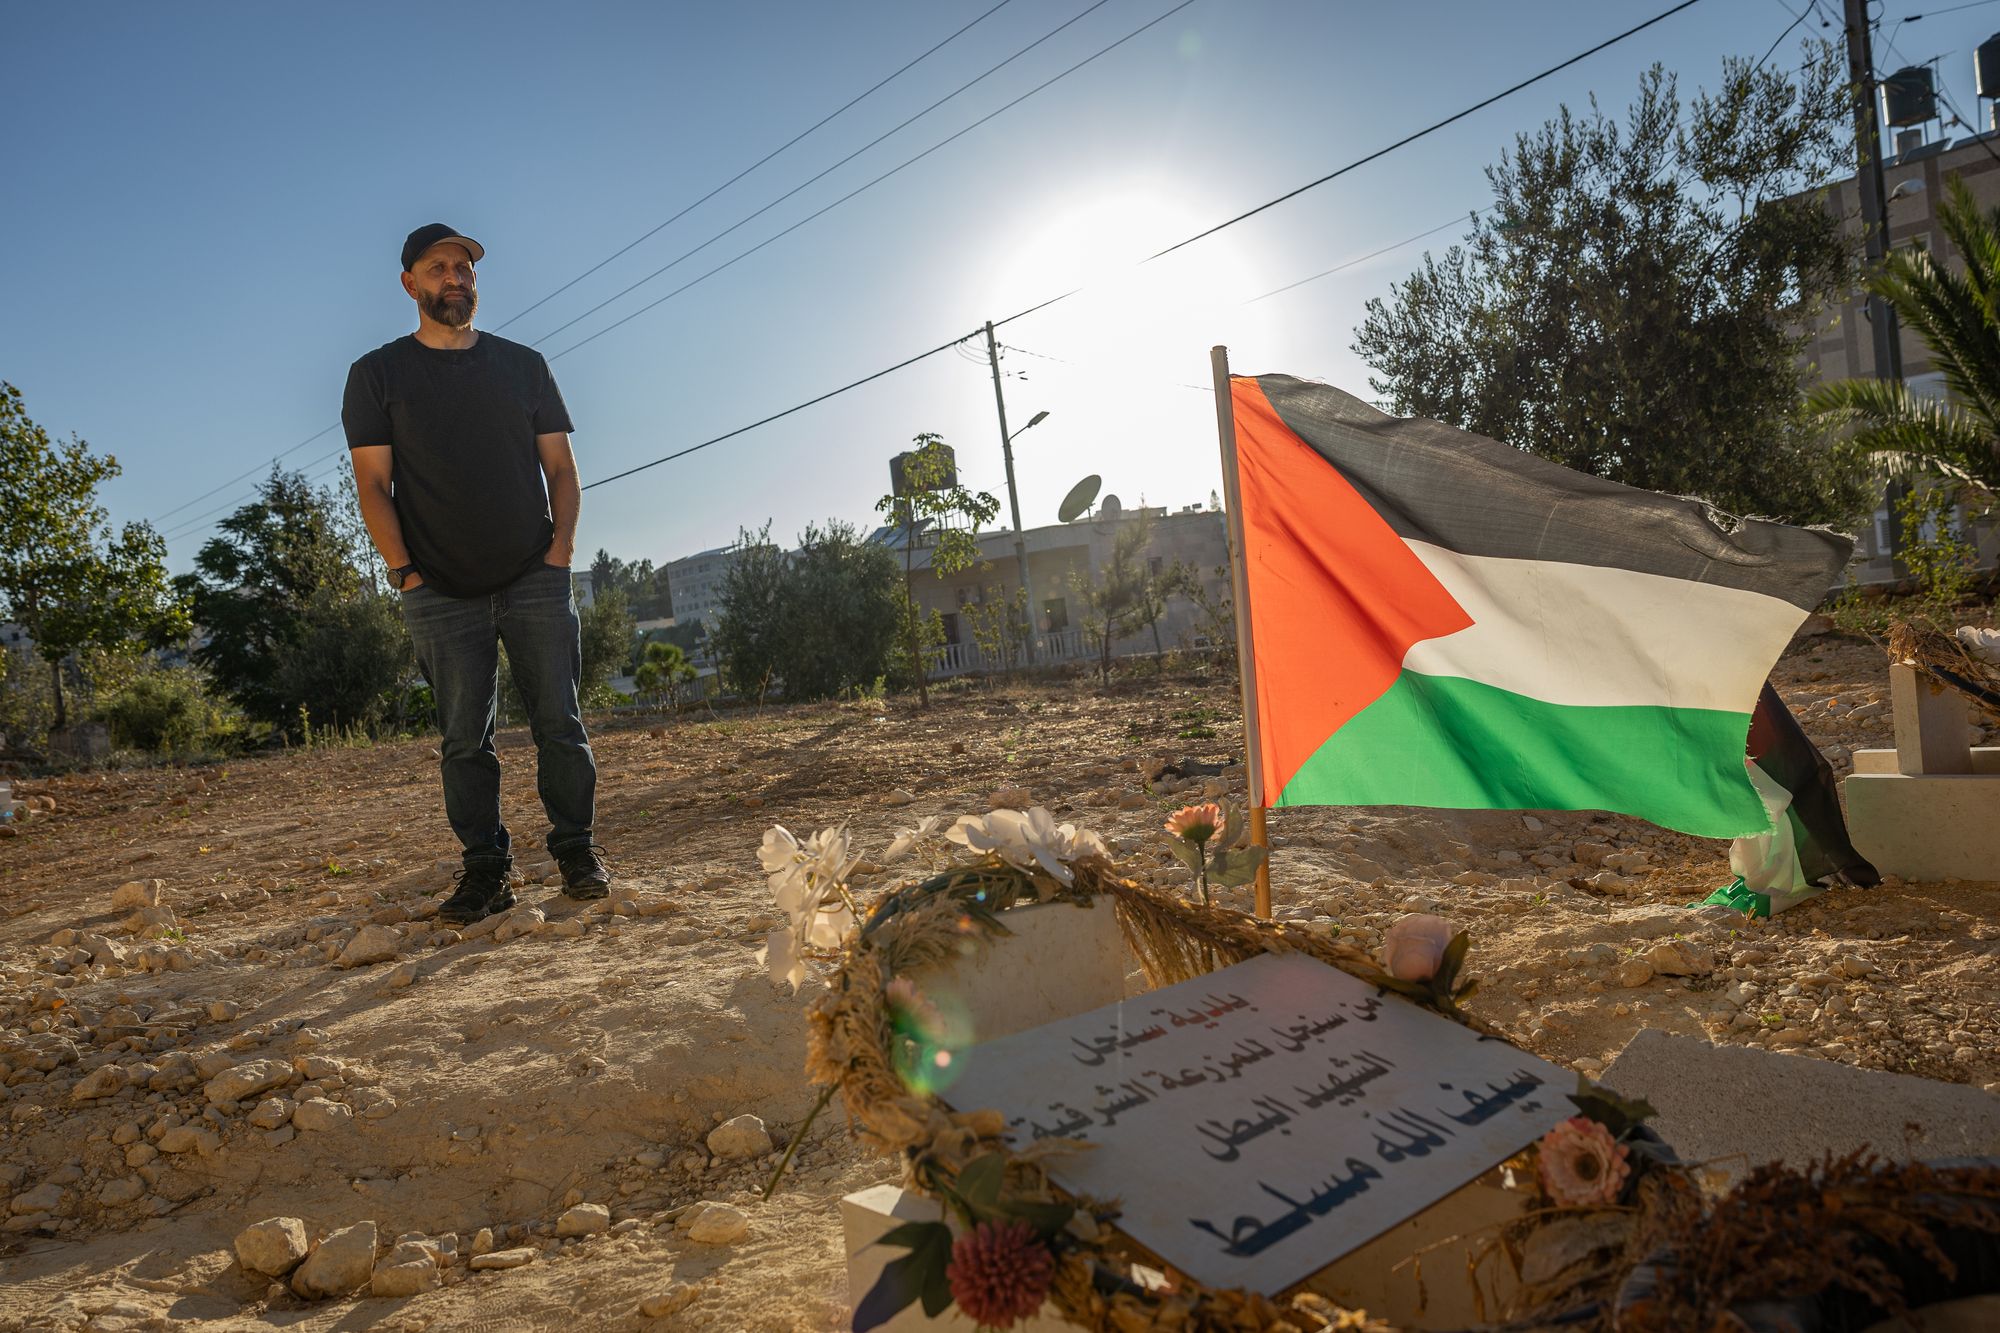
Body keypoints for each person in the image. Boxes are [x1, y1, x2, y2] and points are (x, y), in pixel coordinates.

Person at [342, 222, 611, 924]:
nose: (455, 277)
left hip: (534, 574)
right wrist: (404, 572)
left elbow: (561, 468)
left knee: (561, 722)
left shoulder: (524, 365)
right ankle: (486, 869)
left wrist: (562, 553)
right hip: (437, 587)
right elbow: (373, 485)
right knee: (465, 739)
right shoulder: (376, 374)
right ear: (410, 283)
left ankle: (577, 851)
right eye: (438, 268)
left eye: (464, 267)